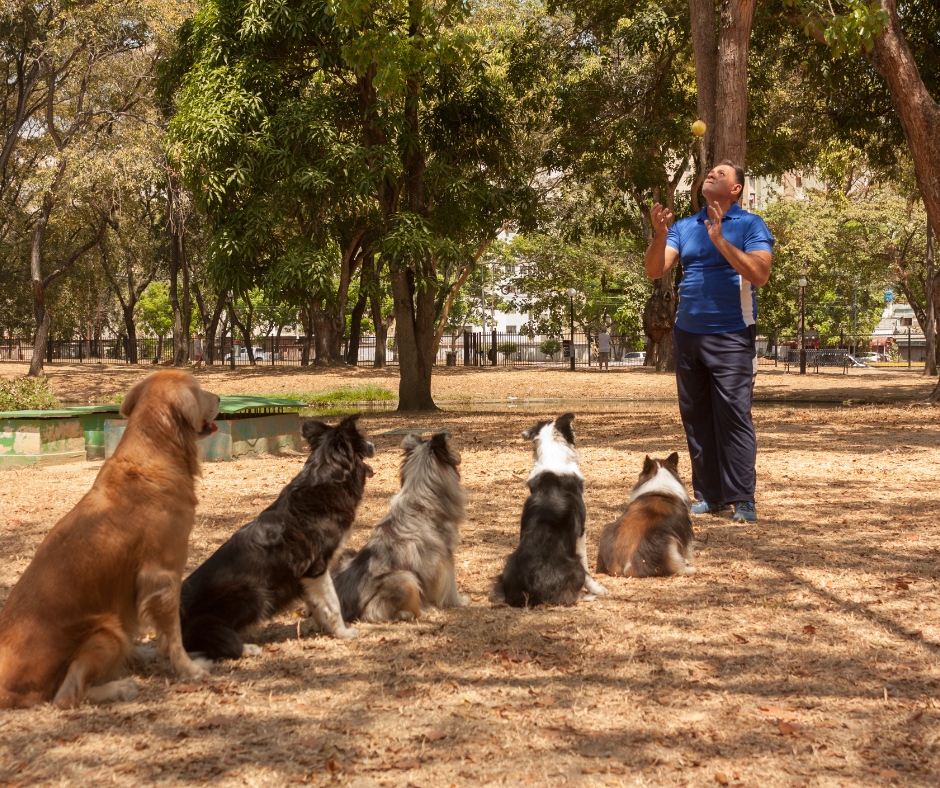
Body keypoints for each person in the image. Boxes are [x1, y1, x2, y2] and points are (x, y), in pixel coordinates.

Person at [643, 161, 774, 523]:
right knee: (696, 418)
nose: (711, 174)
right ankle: (709, 497)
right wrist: (659, 234)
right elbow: (655, 270)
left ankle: (742, 498)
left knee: (733, 416)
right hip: (688, 334)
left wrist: (719, 241)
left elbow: (759, 274)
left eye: (721, 172)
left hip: (732, 333)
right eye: (710, 172)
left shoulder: (750, 224)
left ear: (736, 189)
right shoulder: (684, 227)